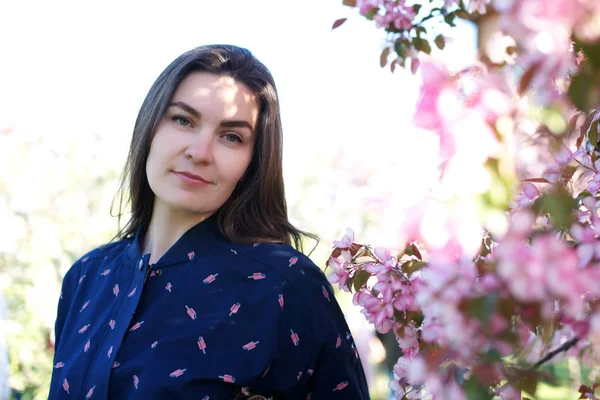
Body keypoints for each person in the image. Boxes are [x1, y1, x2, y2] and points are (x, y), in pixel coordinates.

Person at [48, 44, 370, 399]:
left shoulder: (286, 287)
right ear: (149, 126)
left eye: (231, 137)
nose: (199, 153)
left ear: (253, 160)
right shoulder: (87, 276)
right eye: (183, 120)